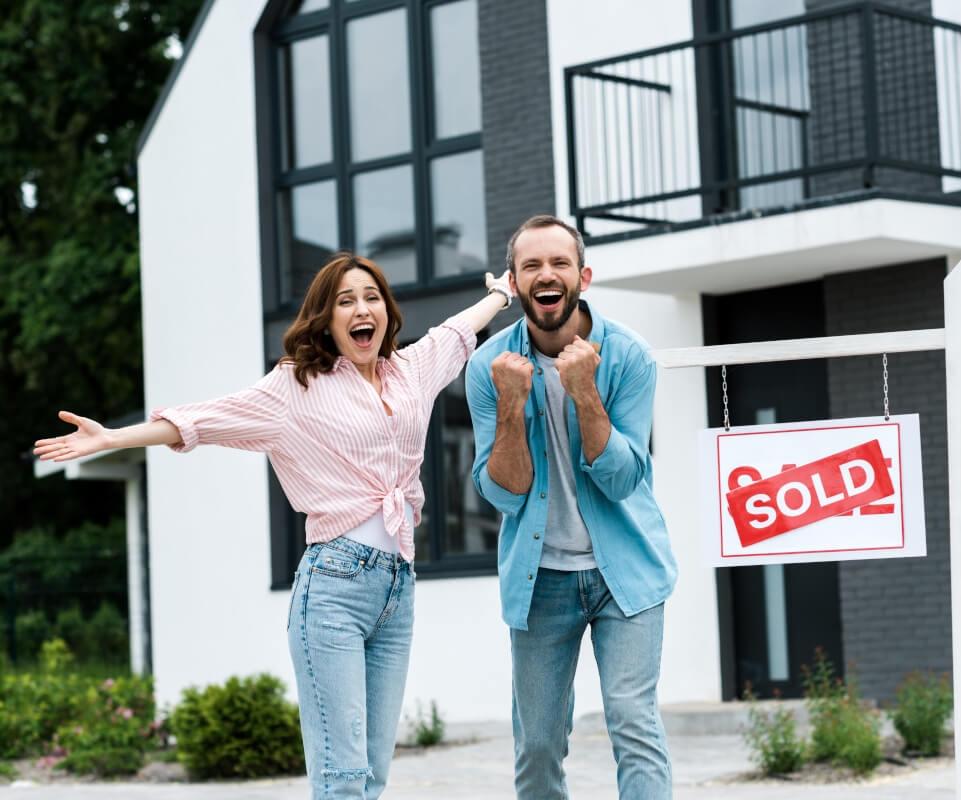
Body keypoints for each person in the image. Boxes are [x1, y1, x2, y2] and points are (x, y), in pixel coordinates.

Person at [34, 253, 514, 800]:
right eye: (346, 300)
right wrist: (113, 438)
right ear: (326, 319)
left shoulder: (409, 372)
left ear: (386, 310)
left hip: (397, 589)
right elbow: (203, 419)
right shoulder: (295, 387)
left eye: (372, 297)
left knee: (373, 775)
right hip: (333, 587)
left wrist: (501, 294)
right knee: (342, 777)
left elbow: (455, 332)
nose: (362, 309)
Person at [465, 214, 677, 799]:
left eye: (559, 262)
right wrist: (512, 406)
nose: (546, 274)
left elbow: (622, 479)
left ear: (583, 275)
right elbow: (502, 495)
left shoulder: (629, 355)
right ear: (514, 281)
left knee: (633, 724)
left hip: (626, 572)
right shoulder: (488, 369)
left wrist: (584, 391)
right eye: (531, 265)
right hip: (540, 581)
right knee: (537, 745)